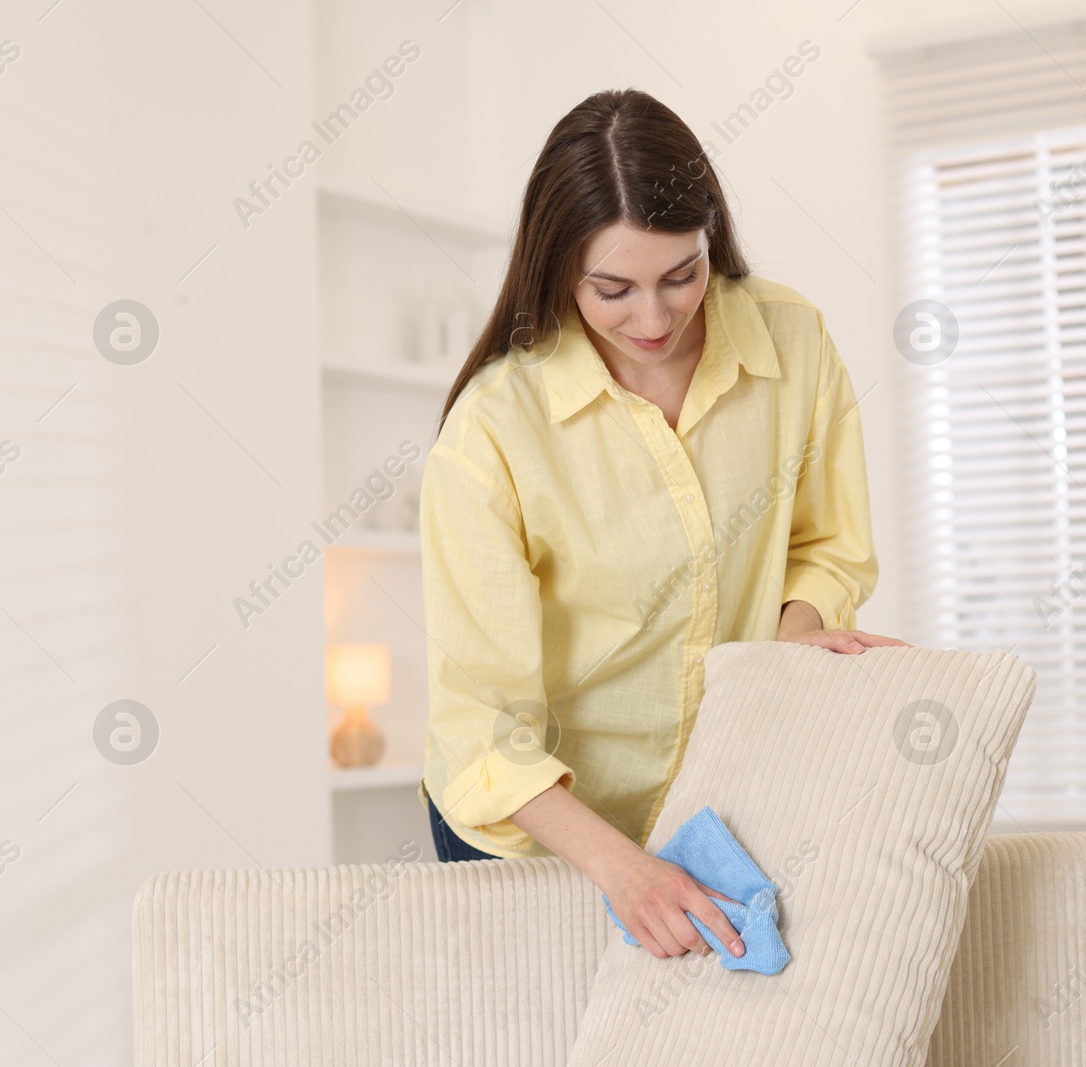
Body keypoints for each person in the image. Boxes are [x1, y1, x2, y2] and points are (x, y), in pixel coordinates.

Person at [417, 87, 907, 966]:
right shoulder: (493, 429)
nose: (654, 319)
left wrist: (794, 643)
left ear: (710, 237)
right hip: (544, 829)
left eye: (681, 275)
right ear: (556, 268)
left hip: (719, 804)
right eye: (613, 289)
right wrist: (621, 867)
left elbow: (828, 546)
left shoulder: (792, 342)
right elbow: (481, 721)